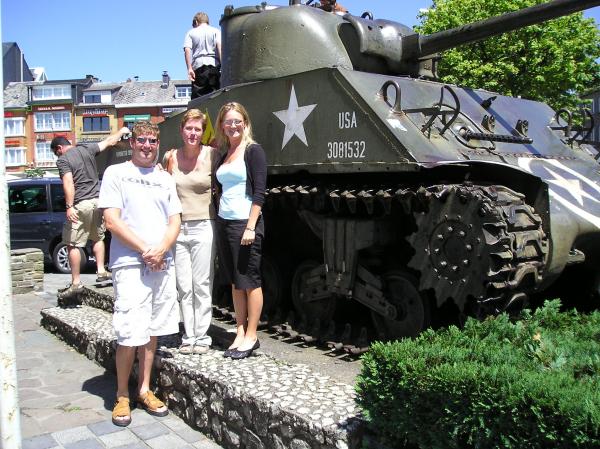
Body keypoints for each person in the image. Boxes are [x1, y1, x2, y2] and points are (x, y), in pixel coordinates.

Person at [98, 121, 182, 427]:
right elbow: (112, 221)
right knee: (129, 329)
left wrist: (161, 249)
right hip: (131, 263)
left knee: (152, 330)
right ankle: (122, 394)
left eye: (152, 141)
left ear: (157, 143)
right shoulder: (116, 173)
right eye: (141, 140)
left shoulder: (165, 179)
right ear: (132, 143)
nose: (147, 146)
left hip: (162, 261)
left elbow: (175, 221)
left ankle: (144, 388)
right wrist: (148, 250)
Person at [214, 102, 267, 360]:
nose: (233, 125)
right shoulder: (226, 153)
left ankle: (252, 334)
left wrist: (250, 226)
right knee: (236, 282)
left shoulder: (252, 150)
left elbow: (259, 192)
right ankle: (239, 330)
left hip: (244, 223)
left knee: (250, 281)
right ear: (222, 126)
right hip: (224, 222)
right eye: (228, 122)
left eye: (237, 121)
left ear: (245, 123)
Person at [163, 109, 217, 355]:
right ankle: (189, 334)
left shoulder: (212, 155)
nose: (193, 133)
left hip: (204, 223)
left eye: (198, 129)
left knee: (202, 282)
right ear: (181, 130)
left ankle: (203, 335)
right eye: (189, 128)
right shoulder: (171, 157)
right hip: (177, 227)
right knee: (183, 284)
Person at [53, 127, 130, 295]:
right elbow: (110, 142)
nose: (57, 156)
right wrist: (121, 131)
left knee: (72, 243)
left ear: (59, 149)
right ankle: (101, 271)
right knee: (98, 237)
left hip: (81, 204)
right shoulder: (87, 149)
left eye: (56, 153)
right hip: (98, 201)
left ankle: (76, 282)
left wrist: (69, 206)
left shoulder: (63, 160)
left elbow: (68, 182)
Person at [183, 12, 221, 100]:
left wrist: (189, 68)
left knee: (198, 99)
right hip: (214, 66)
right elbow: (220, 47)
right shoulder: (216, 31)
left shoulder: (191, 32)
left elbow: (187, 49)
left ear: (196, 22)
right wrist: (223, 65)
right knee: (216, 96)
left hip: (198, 67)